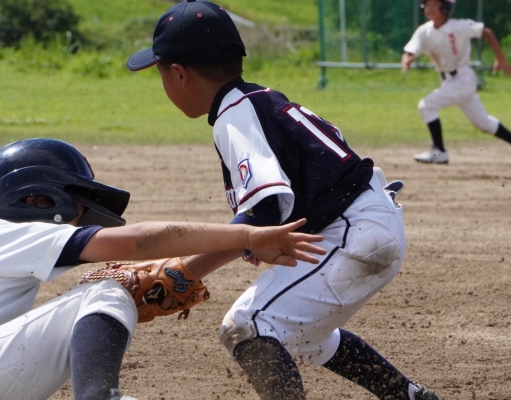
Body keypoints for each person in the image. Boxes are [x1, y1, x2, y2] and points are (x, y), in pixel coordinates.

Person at [127, 1, 439, 399]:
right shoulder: (259, 99)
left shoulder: (234, 114)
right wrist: (258, 242)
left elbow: (264, 211)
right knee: (305, 336)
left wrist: (187, 271)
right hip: (361, 224)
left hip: (352, 231)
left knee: (247, 325)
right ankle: (409, 395)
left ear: (179, 74)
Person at [0, 138, 326, 400]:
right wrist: (248, 235)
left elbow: (155, 279)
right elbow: (139, 242)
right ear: (34, 199)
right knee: (105, 290)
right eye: (76, 208)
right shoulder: (2, 233)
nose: (77, 221)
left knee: (111, 294)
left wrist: (240, 246)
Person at [401, 0, 511, 170]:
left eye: (435, 4)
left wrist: (500, 59)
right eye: (427, 5)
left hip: (462, 78)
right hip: (449, 80)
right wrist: (407, 59)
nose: (430, 8)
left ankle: (439, 151)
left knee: (426, 106)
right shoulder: (424, 31)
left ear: (445, 7)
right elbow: (410, 51)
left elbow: (486, 32)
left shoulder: (459, 26)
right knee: (483, 123)